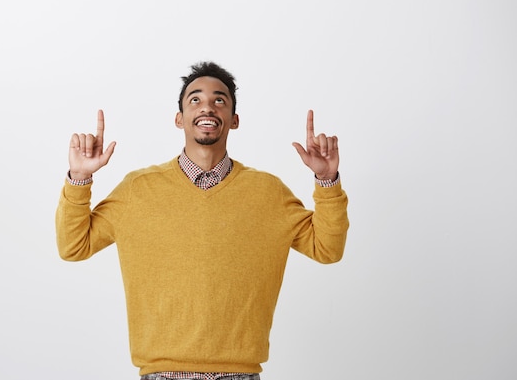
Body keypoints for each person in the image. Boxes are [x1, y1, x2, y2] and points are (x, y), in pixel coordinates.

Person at [55, 62, 349, 379]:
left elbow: (327, 249)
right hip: (160, 374)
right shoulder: (138, 190)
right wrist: (80, 178)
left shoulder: (268, 193)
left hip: (239, 375)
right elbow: (74, 246)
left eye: (219, 99)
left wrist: (326, 178)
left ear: (234, 120)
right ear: (179, 118)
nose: (207, 106)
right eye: (195, 99)